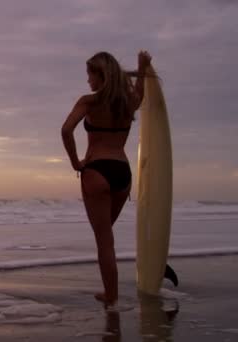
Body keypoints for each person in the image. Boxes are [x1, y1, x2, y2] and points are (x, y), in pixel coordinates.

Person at [61, 50, 152, 307]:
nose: (88, 81)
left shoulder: (89, 102)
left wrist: (75, 162)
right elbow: (141, 91)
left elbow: (66, 130)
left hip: (96, 170)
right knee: (105, 235)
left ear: (100, 76)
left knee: (104, 241)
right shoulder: (129, 102)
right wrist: (142, 68)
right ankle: (110, 291)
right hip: (122, 173)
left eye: (89, 75)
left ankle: (111, 296)